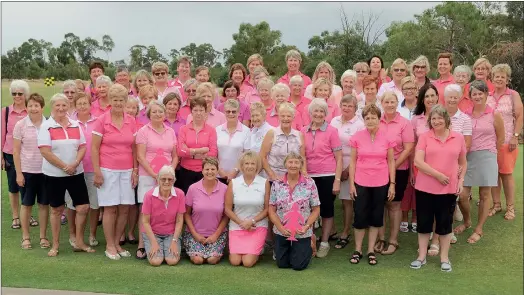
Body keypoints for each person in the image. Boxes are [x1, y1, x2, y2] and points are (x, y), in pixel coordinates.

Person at [409, 105, 467, 272]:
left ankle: (444, 258)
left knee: (445, 224)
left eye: (439, 118)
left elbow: (463, 162)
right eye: (433, 119)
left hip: (448, 189)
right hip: (425, 188)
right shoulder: (425, 137)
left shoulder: (458, 138)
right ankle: (421, 257)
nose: (436, 121)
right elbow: (418, 162)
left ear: (446, 119)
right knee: (424, 223)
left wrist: (461, 180)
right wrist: (438, 175)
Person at [38, 93, 93, 257]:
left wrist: (74, 164)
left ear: (68, 107)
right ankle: (55, 245)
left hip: (76, 172)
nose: (61, 108)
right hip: (54, 175)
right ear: (52, 107)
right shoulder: (46, 126)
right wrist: (64, 167)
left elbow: (82, 147)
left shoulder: (75, 125)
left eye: (64, 105)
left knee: (83, 207)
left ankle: (79, 242)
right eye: (57, 106)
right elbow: (45, 151)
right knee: (56, 209)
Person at [454, 80, 505, 244]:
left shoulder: (494, 114)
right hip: (468, 157)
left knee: (484, 195)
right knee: (462, 195)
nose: (477, 96)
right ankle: (467, 221)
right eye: (474, 93)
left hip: (487, 156)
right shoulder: (465, 114)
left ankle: (479, 228)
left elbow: (501, 137)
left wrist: (491, 153)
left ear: (486, 94)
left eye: (480, 93)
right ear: (470, 96)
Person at [92, 84, 138, 260]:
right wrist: (97, 172)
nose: (118, 103)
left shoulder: (131, 121)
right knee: (110, 208)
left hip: (127, 170)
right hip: (107, 170)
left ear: (126, 101)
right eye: (115, 100)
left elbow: (134, 148)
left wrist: (135, 170)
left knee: (125, 208)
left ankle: (118, 243)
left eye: (121, 100)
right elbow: (94, 149)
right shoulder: (101, 120)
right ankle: (110, 245)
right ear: (110, 101)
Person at [348, 104, 396, 266]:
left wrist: (392, 184)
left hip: (381, 183)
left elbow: (390, 161)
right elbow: (353, 162)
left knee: (376, 217)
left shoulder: (387, 137)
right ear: (364, 119)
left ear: (379, 119)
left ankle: (370, 250)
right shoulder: (357, 137)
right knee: (360, 216)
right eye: (367, 117)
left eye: (373, 117)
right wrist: (352, 184)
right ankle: (358, 249)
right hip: (361, 182)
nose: (370, 120)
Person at [135, 101, 179, 259]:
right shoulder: (143, 131)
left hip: (167, 178)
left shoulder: (171, 131)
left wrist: (170, 172)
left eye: (161, 112)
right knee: (145, 210)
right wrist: (154, 174)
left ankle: (163, 241)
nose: (158, 115)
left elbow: (174, 156)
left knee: (163, 209)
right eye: (154, 112)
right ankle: (142, 244)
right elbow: (140, 156)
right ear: (148, 115)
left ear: (165, 114)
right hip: (149, 176)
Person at [302, 98, 343, 258]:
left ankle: (324, 242)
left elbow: (339, 158)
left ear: (326, 114)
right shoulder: (303, 131)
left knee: (326, 209)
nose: (318, 114)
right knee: (309, 210)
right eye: (315, 111)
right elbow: (302, 156)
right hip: (309, 177)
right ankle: (310, 240)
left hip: (327, 175)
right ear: (310, 113)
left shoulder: (332, 131)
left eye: (321, 111)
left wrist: (337, 180)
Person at [376, 91, 415, 255]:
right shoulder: (377, 121)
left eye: (393, 102)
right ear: (382, 104)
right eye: (387, 102)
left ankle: (393, 239)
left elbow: (408, 148)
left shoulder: (404, 123)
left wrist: (392, 166)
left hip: (399, 169)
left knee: (394, 204)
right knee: (380, 204)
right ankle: (380, 238)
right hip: (377, 169)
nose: (390, 105)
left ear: (396, 103)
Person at [269, 152, 320, 271]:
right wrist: (280, 227)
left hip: (302, 230)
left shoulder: (310, 183)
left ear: (301, 165)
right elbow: (271, 209)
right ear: (285, 164)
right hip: (282, 230)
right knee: (282, 264)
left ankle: (310, 242)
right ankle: (294, 248)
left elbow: (316, 209)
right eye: (290, 162)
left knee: (298, 265)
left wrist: (307, 226)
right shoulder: (277, 184)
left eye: (296, 162)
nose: (293, 165)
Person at [13, 93, 49, 250]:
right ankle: (25, 237)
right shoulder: (20, 125)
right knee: (26, 204)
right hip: (27, 171)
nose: (33, 108)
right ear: (26, 107)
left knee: (43, 205)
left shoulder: (49, 124)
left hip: (46, 172)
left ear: (42, 108)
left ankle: (43, 236)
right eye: (31, 105)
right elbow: (15, 151)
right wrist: (19, 173)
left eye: (36, 105)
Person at [487, 64, 523, 220]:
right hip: (489, 142)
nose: (499, 79)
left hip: (508, 140)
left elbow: (520, 116)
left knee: (506, 174)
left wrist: (516, 135)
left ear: (507, 79)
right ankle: (496, 204)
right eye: (497, 76)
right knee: (493, 174)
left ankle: (510, 208)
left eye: (503, 76)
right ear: (492, 79)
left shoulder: (513, 95)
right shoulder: (487, 95)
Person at [329, 94, 365, 249]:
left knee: (346, 201)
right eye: (344, 105)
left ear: (355, 108)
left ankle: (345, 231)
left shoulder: (359, 124)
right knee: (329, 198)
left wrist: (347, 170)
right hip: (331, 163)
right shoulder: (334, 121)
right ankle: (331, 230)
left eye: (350, 106)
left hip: (350, 164)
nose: (346, 108)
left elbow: (359, 148)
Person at [225, 151, 270, 267]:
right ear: (242, 166)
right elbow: (227, 209)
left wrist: (252, 221)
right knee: (235, 262)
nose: (249, 166)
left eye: (252, 164)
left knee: (247, 262)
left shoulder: (264, 182)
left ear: (257, 166)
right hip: (237, 226)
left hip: (257, 227)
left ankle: (258, 250)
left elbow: (267, 209)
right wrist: (242, 223)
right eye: (247, 163)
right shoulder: (234, 183)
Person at [183, 157, 229, 265]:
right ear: (202, 170)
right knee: (198, 260)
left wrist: (216, 235)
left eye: (213, 169)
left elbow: (226, 215)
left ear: (217, 171)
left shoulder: (225, 189)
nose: (210, 172)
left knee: (212, 260)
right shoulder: (193, 188)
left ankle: (213, 251)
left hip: (217, 234)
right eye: (207, 169)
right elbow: (187, 214)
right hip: (194, 234)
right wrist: (195, 234)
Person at [71, 93, 101, 248]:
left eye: (85, 103)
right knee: (73, 204)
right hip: (73, 169)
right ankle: (74, 235)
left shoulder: (98, 121)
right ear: (75, 105)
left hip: (92, 167)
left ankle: (92, 234)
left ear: (91, 105)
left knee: (94, 204)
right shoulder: (69, 122)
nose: (82, 106)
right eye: (79, 103)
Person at [141, 166, 185, 266]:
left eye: (170, 179)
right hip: (153, 233)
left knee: (172, 261)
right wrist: (154, 242)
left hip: (171, 233)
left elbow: (179, 221)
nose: (166, 182)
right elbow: (145, 222)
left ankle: (169, 246)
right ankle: (159, 247)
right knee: (155, 261)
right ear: (158, 180)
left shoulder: (180, 194)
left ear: (174, 180)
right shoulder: (149, 195)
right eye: (163, 179)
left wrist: (174, 241)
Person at [2, 80, 29, 230]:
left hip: (29, 155)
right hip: (10, 154)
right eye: (14, 93)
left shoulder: (30, 110)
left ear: (25, 94)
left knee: (28, 185)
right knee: (13, 186)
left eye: (20, 93)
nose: (17, 96)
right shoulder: (5, 112)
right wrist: (1, 156)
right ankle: (15, 216)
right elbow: (2, 135)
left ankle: (28, 213)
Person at [176, 97, 218, 194]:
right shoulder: (183, 129)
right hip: (185, 171)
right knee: (186, 202)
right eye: (195, 110)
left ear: (205, 111)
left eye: (201, 110)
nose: (198, 113)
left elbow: (213, 153)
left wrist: (189, 151)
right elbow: (180, 151)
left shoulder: (211, 130)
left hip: (203, 172)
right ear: (191, 111)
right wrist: (200, 151)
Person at [260, 103, 307, 181]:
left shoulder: (299, 135)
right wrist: (272, 175)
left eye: (288, 116)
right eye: (283, 116)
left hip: (294, 179)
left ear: (293, 117)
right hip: (274, 179)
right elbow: (262, 157)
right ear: (279, 117)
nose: (286, 118)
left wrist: (304, 173)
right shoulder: (271, 133)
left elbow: (302, 158)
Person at [216, 99, 250, 184]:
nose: (231, 114)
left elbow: (246, 155)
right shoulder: (217, 130)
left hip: (238, 177)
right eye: (228, 111)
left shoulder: (246, 131)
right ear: (224, 112)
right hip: (218, 175)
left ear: (239, 113)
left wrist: (235, 171)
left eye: (234, 111)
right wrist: (219, 171)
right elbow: (213, 153)